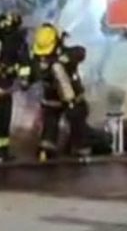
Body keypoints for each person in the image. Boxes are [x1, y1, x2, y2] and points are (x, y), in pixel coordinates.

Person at [29, 23, 90, 161]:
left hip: (72, 99)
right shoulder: (38, 61)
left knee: (77, 121)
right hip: (53, 100)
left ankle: (80, 149)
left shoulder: (65, 54)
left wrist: (67, 59)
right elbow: (31, 75)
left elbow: (81, 52)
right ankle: (48, 148)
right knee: (51, 124)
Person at [0, 12, 27, 163]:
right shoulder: (15, 40)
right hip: (0, 86)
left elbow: (23, 63)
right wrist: (22, 78)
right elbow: (23, 62)